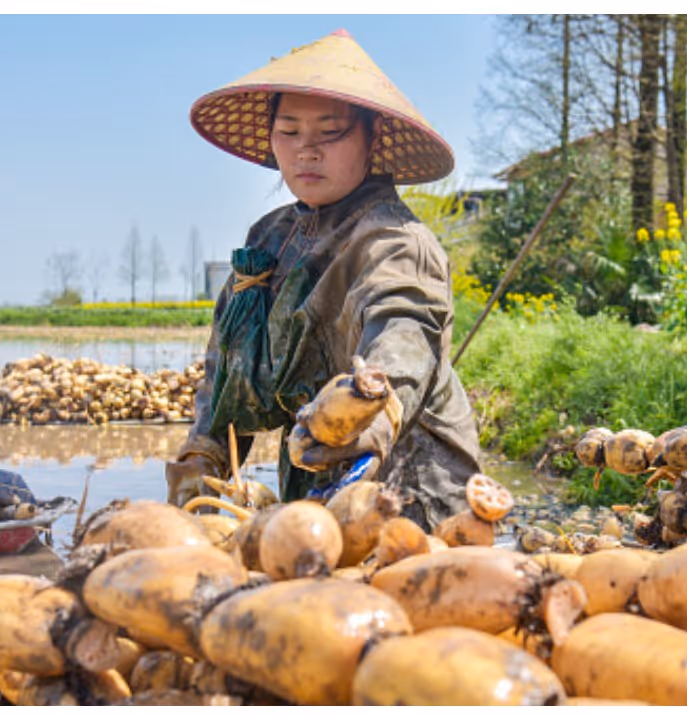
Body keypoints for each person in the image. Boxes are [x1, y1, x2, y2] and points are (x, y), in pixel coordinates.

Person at [167, 29, 483, 532]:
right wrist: (203, 459)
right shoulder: (268, 239)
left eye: (330, 132)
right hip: (310, 480)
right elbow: (226, 366)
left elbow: (402, 339)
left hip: (411, 489)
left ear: (371, 138)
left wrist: (368, 416)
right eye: (289, 131)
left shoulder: (394, 240)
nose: (306, 150)